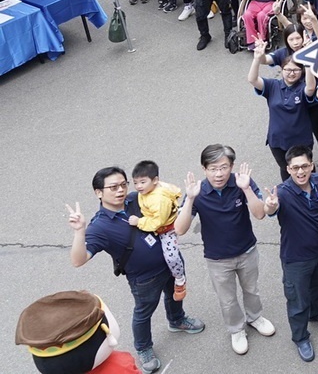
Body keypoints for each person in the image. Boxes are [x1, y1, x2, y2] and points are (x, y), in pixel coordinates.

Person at [68, 168, 206, 374]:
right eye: (113, 187)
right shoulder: (100, 226)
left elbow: (162, 199)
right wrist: (80, 231)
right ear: (99, 192)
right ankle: (144, 348)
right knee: (143, 312)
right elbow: (79, 260)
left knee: (174, 295)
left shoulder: (137, 198)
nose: (120, 190)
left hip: (170, 263)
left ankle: (176, 320)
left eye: (123, 184)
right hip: (144, 278)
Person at [174, 145, 274, 356]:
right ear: (204, 169)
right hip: (217, 259)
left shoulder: (241, 182)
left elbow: (260, 214)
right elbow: (180, 229)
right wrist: (190, 199)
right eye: (212, 168)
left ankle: (255, 317)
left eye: (223, 167)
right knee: (227, 300)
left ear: (232, 166)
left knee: (251, 290)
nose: (218, 174)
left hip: (247, 250)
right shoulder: (197, 191)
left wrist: (246, 189)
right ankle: (237, 330)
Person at [262, 145, 318, 363]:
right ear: (288, 169)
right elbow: (270, 211)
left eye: (304, 166)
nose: (300, 172)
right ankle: (301, 337)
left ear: (312, 165)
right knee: (297, 300)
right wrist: (271, 206)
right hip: (296, 258)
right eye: (295, 168)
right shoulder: (282, 193)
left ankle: (315, 313)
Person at [248, 40, 315, 180]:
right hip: (277, 141)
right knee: (287, 170)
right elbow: (253, 80)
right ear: (282, 69)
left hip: (301, 141)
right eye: (287, 70)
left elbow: (310, 88)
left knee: (305, 172)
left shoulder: (303, 87)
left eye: (296, 70)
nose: (291, 73)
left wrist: (308, 63)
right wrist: (257, 59)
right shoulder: (273, 85)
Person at [129, 161, 187, 302]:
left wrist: (139, 222)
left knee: (171, 256)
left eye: (142, 182)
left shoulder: (159, 200)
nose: (138, 187)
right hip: (159, 219)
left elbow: (157, 222)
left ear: (155, 180)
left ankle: (180, 280)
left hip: (166, 229)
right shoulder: (150, 190)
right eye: (135, 183)